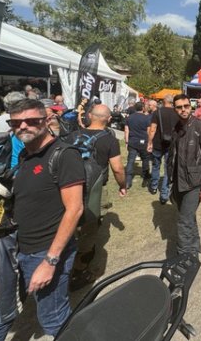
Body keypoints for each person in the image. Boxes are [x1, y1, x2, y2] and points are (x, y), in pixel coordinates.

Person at [0, 99, 84, 339]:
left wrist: (49, 262)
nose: (23, 126)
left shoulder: (64, 155)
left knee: (54, 320)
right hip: (16, 249)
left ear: (47, 120)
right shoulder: (26, 155)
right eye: (16, 122)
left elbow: (74, 210)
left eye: (31, 121)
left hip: (44, 251)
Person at [68, 104, 126, 290]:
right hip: (94, 189)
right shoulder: (109, 140)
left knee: (69, 223)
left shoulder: (72, 135)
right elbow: (117, 168)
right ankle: (79, 271)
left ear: (89, 116)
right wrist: (123, 185)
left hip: (69, 187)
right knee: (89, 227)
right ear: (109, 119)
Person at [167, 94, 201, 256]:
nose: (183, 109)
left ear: (191, 106)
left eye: (186, 106)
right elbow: (172, 156)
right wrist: (170, 181)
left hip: (194, 183)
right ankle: (194, 250)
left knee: (183, 222)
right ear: (175, 109)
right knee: (188, 218)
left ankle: (185, 259)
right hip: (178, 181)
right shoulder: (176, 127)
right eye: (179, 107)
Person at [148, 94, 179, 204]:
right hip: (170, 145)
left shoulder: (157, 112)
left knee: (156, 165)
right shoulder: (177, 113)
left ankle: (154, 187)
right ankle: (164, 193)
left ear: (164, 101)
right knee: (168, 169)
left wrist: (149, 142)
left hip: (157, 144)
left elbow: (152, 129)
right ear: (172, 102)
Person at [124, 101, 152, 190]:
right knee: (145, 160)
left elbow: (126, 131)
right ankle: (145, 178)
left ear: (135, 108)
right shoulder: (147, 118)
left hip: (132, 142)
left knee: (130, 160)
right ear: (143, 108)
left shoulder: (129, 118)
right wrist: (150, 142)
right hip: (144, 142)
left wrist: (126, 142)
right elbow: (149, 131)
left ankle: (128, 181)